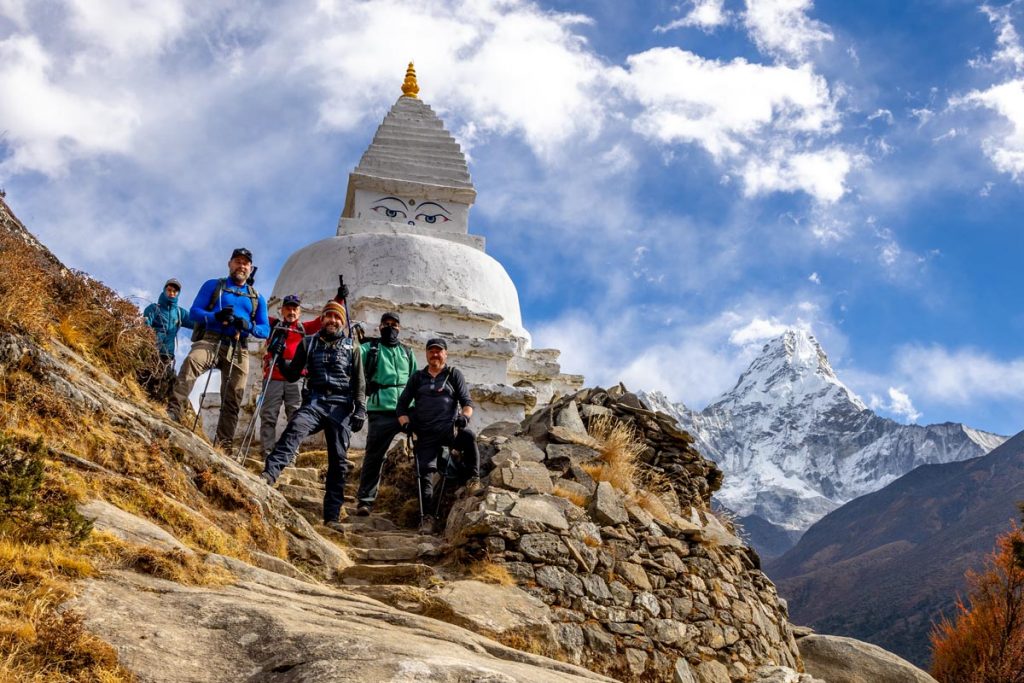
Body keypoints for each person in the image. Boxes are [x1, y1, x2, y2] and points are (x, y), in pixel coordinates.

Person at [262, 300, 366, 530]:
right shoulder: (308, 343)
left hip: (341, 405)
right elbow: (292, 375)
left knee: (338, 460)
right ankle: (269, 474)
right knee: (295, 428)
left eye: (337, 317)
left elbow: (359, 381)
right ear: (323, 318)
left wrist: (360, 408)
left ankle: (332, 516)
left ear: (342, 321)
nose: (333, 320)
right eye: (329, 316)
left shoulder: (353, 347)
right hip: (315, 401)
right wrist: (278, 358)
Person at [168, 248, 270, 447]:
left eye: (245, 263)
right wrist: (216, 316)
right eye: (238, 261)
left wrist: (247, 325)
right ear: (230, 263)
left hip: (238, 347)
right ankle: (173, 411)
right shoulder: (214, 286)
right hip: (211, 339)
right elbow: (194, 312)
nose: (241, 266)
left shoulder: (257, 298)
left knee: (234, 396)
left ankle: (225, 443)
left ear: (250, 268)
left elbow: (265, 329)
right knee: (191, 363)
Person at [396, 338, 482, 534]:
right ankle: (427, 518)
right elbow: (401, 406)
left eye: (439, 351)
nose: (435, 354)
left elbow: (467, 402)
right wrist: (406, 424)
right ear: (426, 354)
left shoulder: (453, 374)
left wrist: (464, 418)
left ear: (445, 354)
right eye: (431, 351)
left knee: (468, 437)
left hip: (448, 430)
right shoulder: (417, 378)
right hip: (424, 434)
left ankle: (473, 480)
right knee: (425, 473)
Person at [258, 283, 348, 459]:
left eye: (295, 309)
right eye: (288, 309)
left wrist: (340, 298)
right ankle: (267, 452)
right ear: (282, 310)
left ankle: (289, 454)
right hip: (273, 376)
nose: (291, 312)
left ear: (299, 312)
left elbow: (328, 316)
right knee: (268, 415)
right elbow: (257, 312)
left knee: (295, 416)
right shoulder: (273, 326)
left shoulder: (304, 329)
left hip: (296, 378)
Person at [353, 312, 417, 516]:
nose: (390, 327)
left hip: (407, 409)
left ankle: (424, 500)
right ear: (380, 327)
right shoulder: (368, 349)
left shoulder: (407, 352)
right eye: (386, 324)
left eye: (394, 324)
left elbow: (416, 381)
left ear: (399, 328)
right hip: (380, 408)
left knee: (426, 448)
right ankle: (365, 500)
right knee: (374, 455)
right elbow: (351, 364)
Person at [142, 278, 193, 400]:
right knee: (145, 378)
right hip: (151, 351)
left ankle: (155, 403)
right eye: (169, 290)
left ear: (178, 294)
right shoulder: (154, 308)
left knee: (162, 383)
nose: (172, 293)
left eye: (175, 291)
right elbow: (145, 325)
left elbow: (197, 323)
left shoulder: (180, 313)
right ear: (164, 290)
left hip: (167, 355)